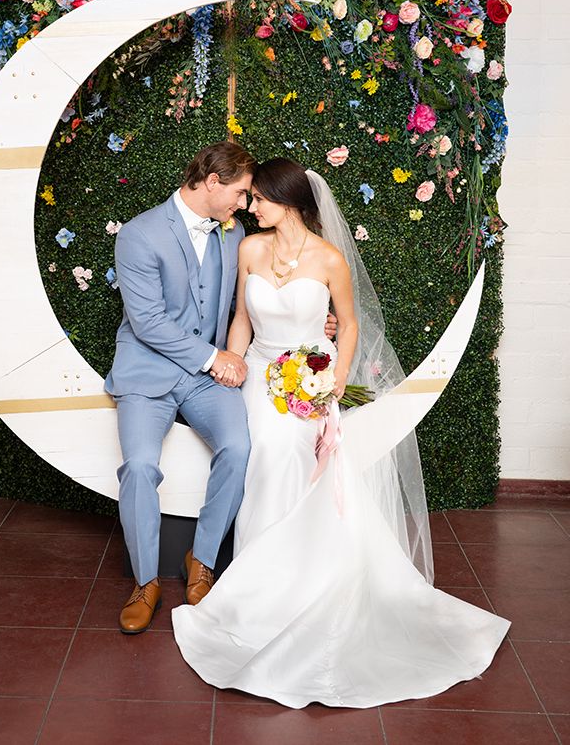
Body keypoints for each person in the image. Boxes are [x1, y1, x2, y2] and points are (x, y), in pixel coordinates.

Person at [172, 158, 511, 708]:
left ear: (289, 202)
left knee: (301, 452)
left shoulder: (329, 258)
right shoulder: (249, 250)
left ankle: (304, 581)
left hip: (310, 372)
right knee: (261, 451)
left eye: (258, 199)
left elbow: (348, 324)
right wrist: (232, 366)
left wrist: (331, 385)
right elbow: (240, 317)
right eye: (249, 198)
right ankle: (260, 583)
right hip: (258, 374)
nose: (249, 207)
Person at [105, 143, 336, 634]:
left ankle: (202, 558)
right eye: (238, 193)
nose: (243, 204)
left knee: (239, 447)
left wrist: (315, 321)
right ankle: (146, 581)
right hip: (150, 373)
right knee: (141, 467)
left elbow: (256, 301)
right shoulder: (140, 234)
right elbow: (146, 321)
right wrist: (216, 358)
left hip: (208, 378)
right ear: (211, 181)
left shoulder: (236, 237)